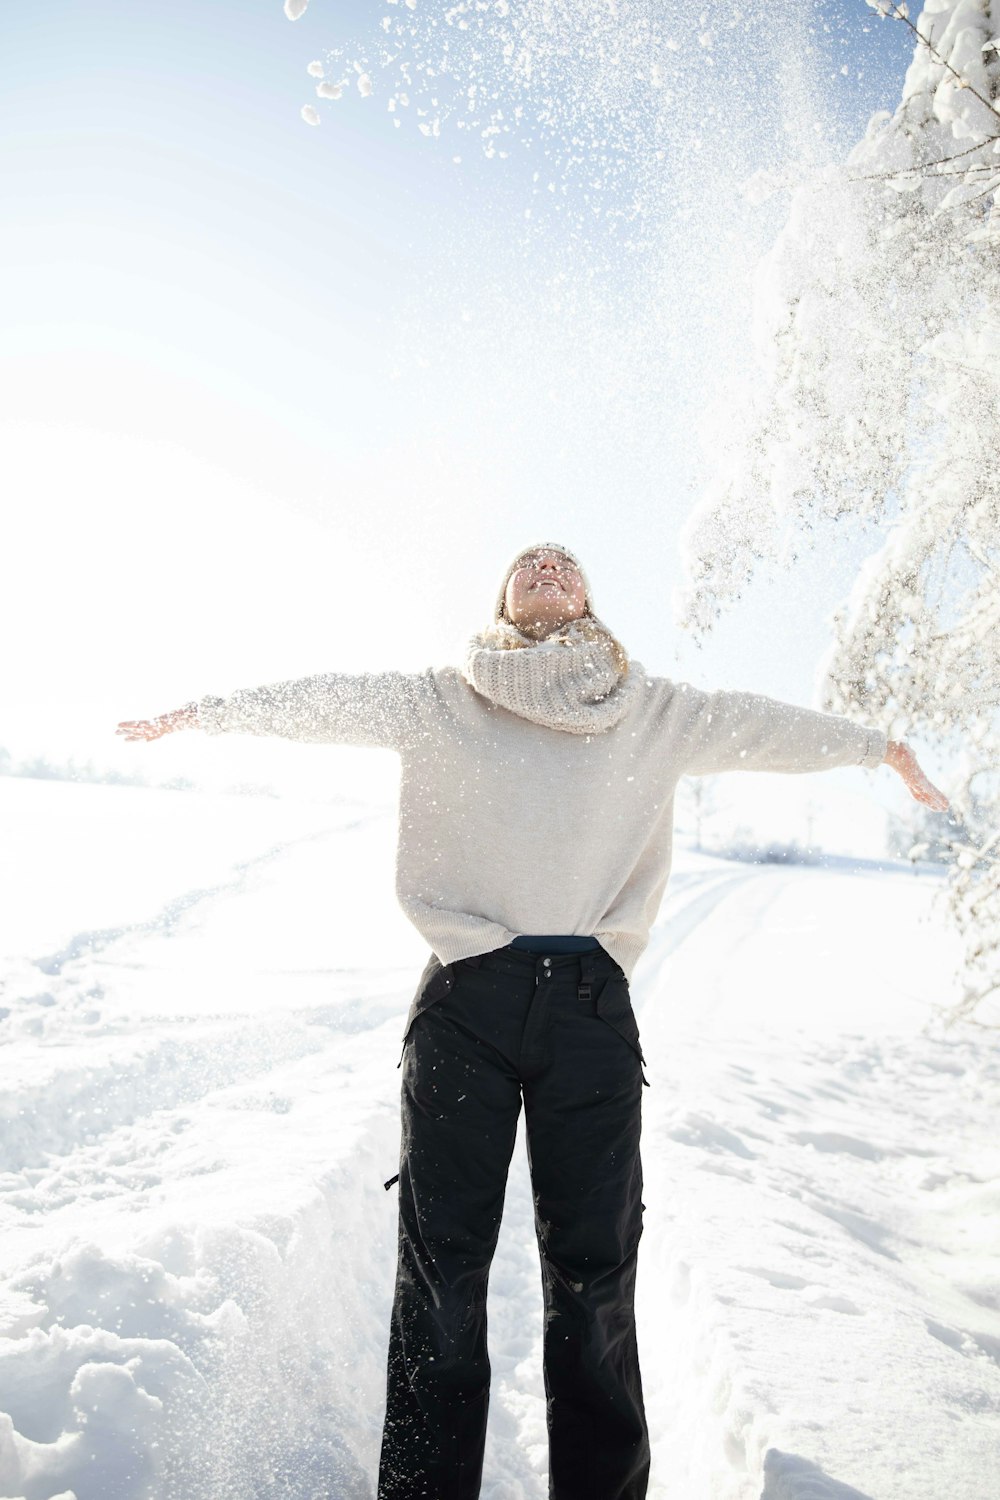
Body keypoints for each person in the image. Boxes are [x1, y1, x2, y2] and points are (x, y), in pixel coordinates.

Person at [116, 543, 947, 1500]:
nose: (547, 563)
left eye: (565, 560)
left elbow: (765, 728)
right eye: (528, 561)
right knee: (444, 1268)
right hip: (466, 1000)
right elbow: (323, 702)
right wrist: (207, 715)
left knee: (596, 1275)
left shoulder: (656, 711)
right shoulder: (440, 698)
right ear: (505, 598)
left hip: (591, 1009)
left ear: (590, 598)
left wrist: (877, 745)